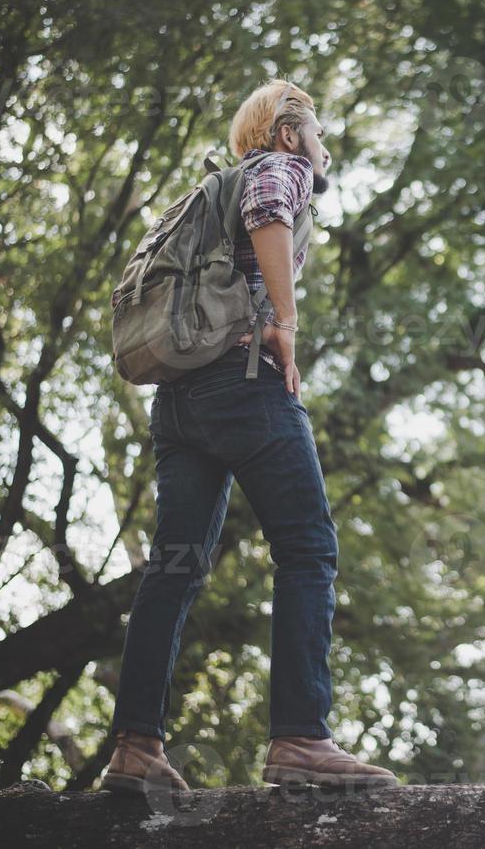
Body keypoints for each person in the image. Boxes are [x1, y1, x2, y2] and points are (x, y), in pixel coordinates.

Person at [100, 79, 397, 793]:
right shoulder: (278, 169)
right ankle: (299, 738)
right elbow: (270, 211)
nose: (324, 148)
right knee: (306, 549)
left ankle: (134, 746)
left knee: (172, 569)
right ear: (289, 133)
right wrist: (285, 331)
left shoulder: (209, 192)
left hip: (177, 401)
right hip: (242, 381)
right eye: (318, 132)